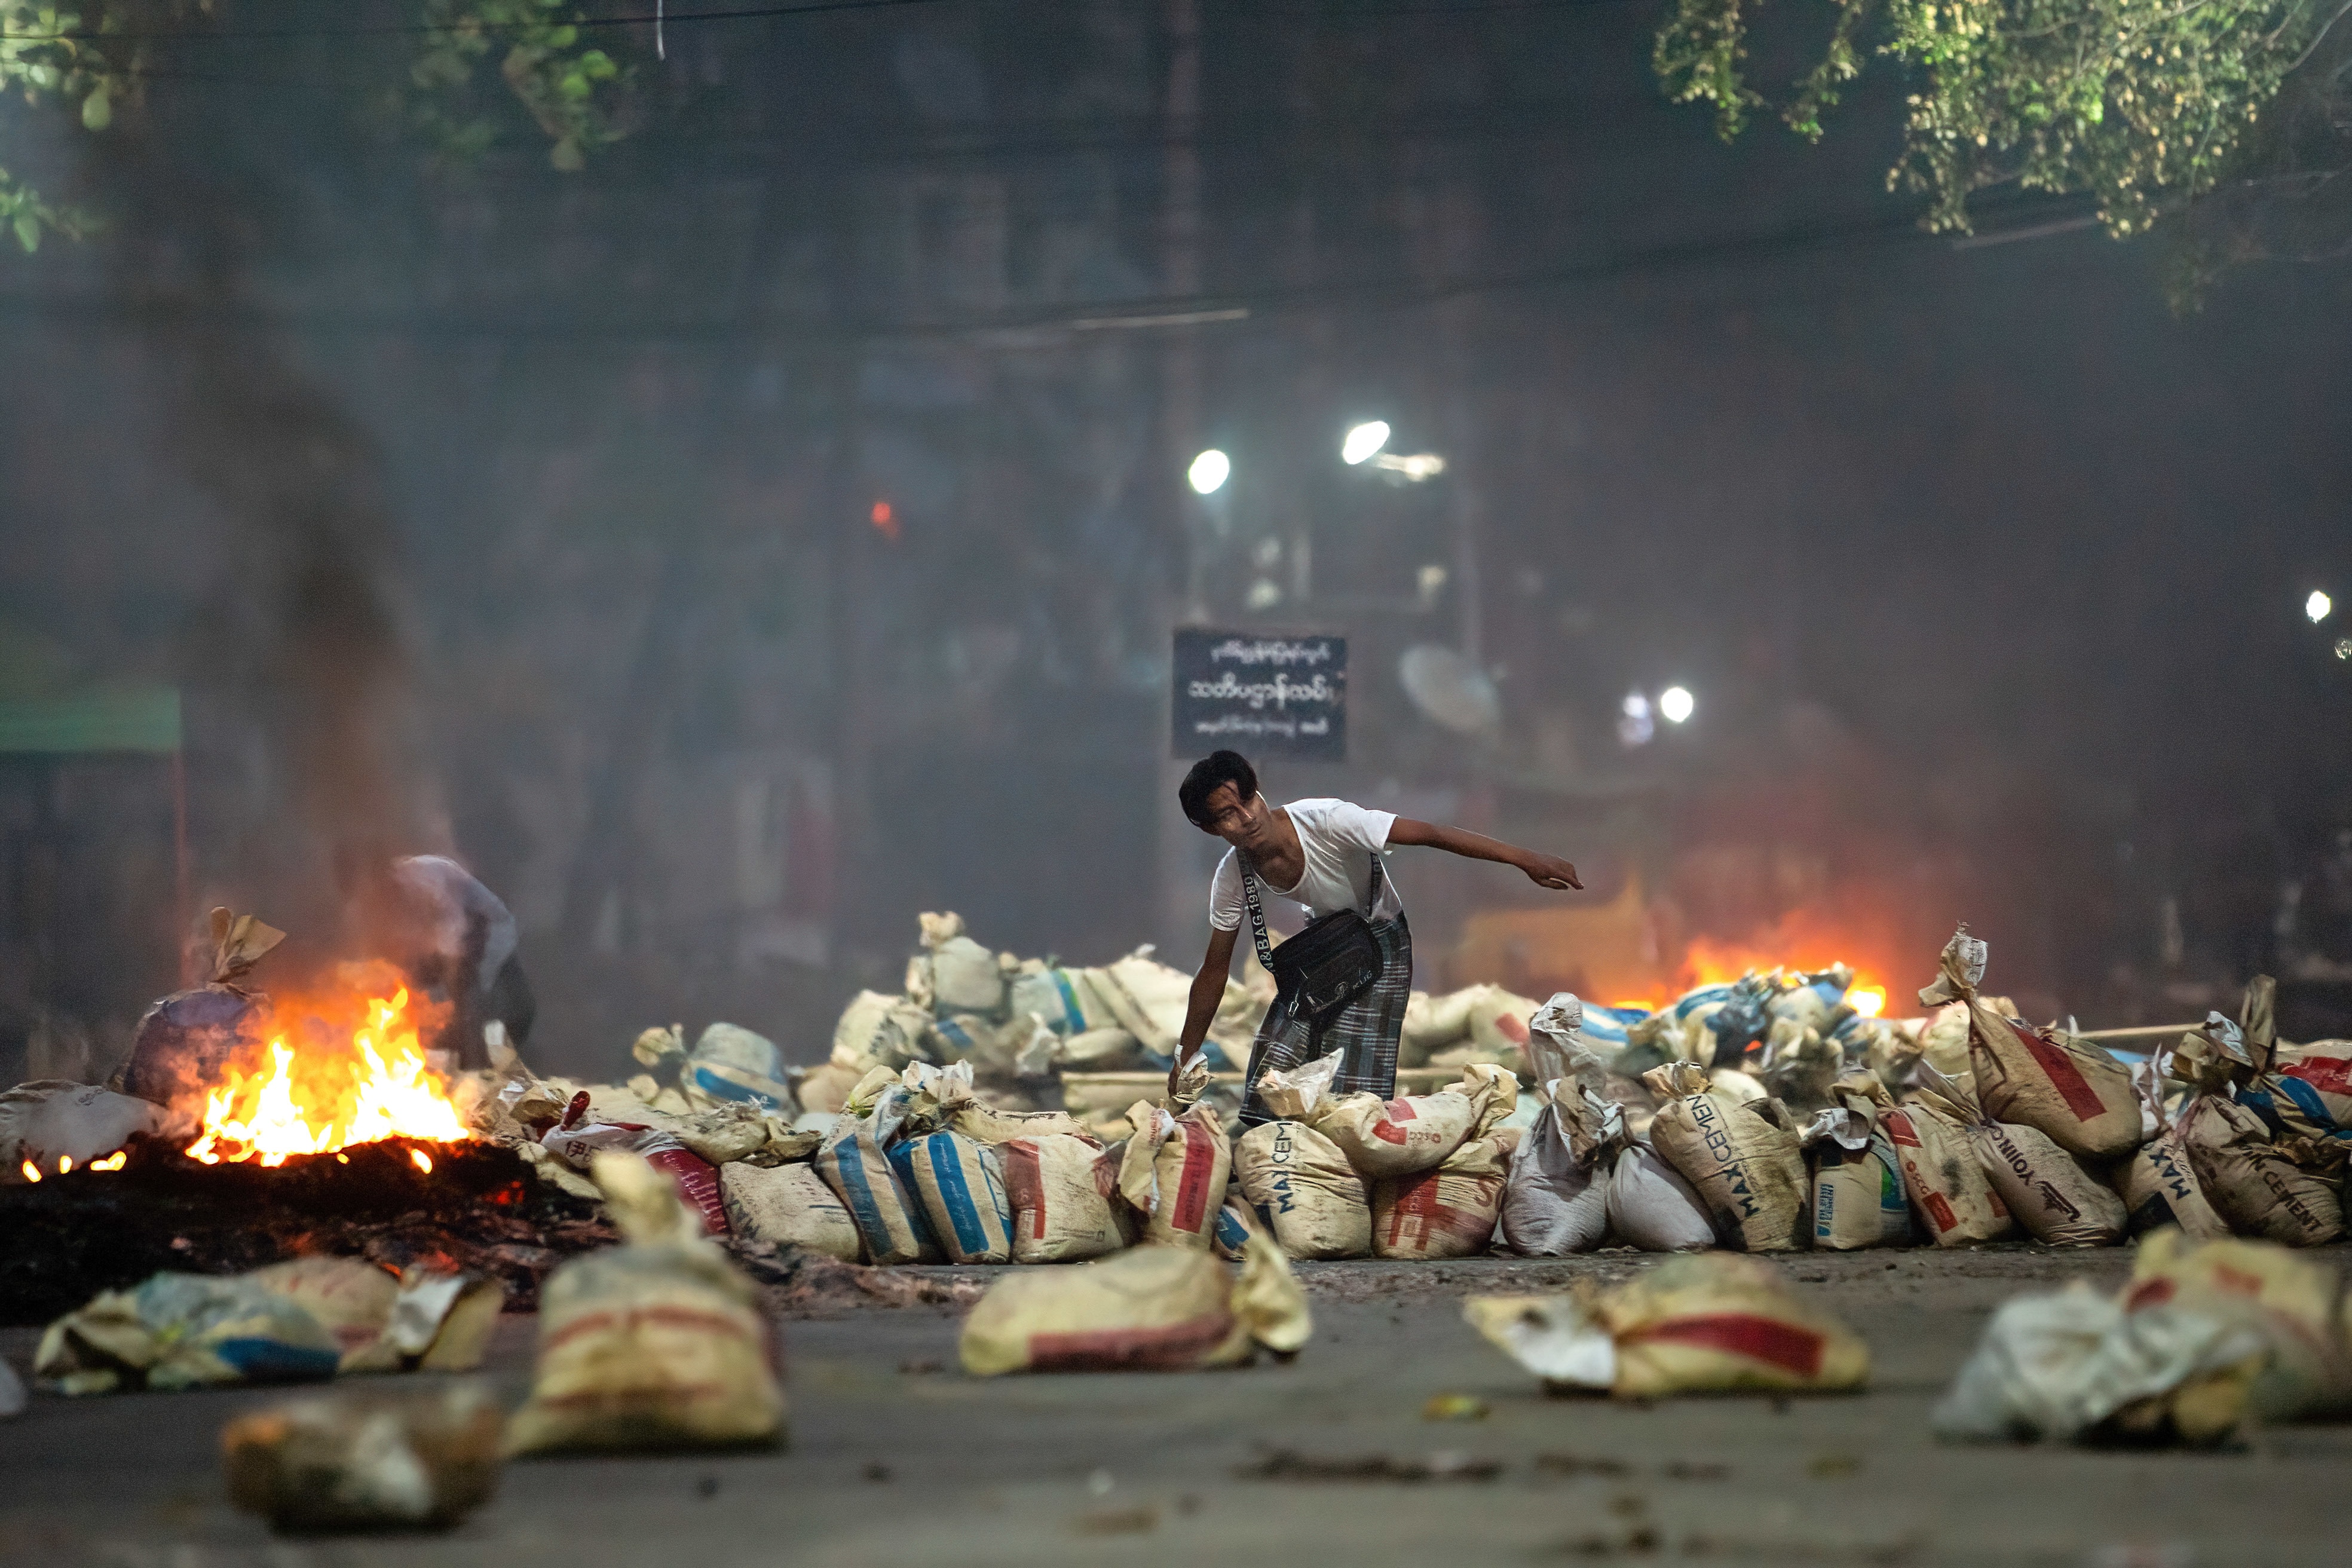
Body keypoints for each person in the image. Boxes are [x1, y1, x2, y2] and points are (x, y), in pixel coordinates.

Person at [1168, 749, 1582, 1124]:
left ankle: (1358, 1163)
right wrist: (1185, 1057)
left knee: (1356, 1089)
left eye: (1248, 799)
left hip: (1383, 943)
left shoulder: (1327, 820)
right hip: (1329, 948)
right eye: (1227, 814)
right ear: (1211, 829)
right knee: (1274, 1066)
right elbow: (1214, 969)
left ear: (1259, 793)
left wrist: (1527, 859)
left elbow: (1431, 834)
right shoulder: (1232, 875)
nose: (1247, 817)